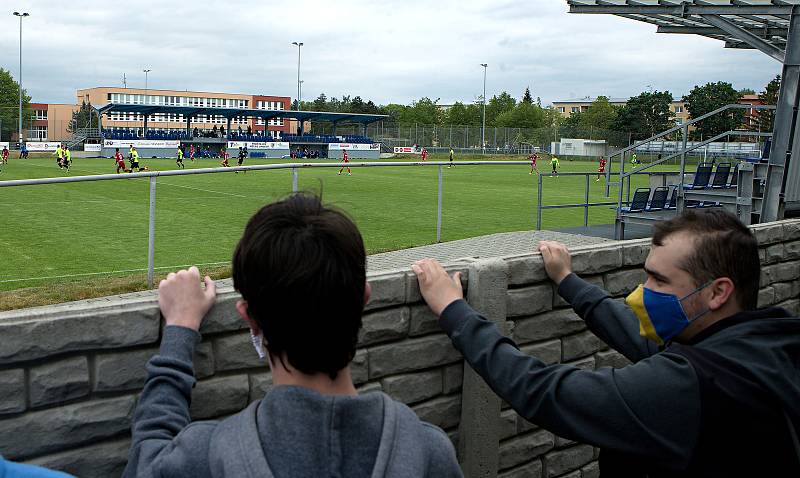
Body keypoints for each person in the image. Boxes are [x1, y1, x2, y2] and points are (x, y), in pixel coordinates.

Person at [412, 209, 800, 477]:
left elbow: (541, 390)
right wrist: (568, 280)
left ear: (718, 293)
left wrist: (453, 309)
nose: (643, 292)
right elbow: (633, 335)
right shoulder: (764, 345)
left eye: (659, 281)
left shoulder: (692, 388)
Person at [122, 193, 463, 478]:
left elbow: (145, 461)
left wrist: (180, 328)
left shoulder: (205, 457)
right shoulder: (431, 454)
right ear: (364, 300)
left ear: (249, 319)